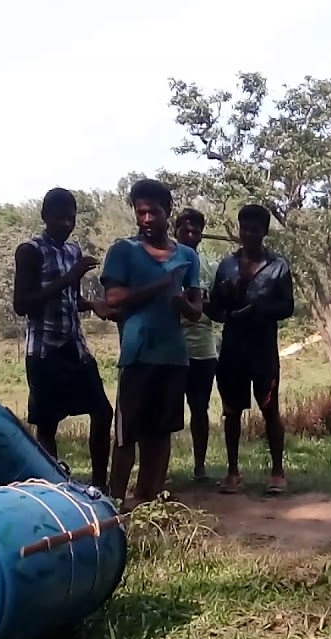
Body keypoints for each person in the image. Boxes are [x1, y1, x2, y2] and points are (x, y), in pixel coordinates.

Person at [100, 179, 203, 505]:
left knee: (160, 434)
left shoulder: (187, 256)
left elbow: (197, 310)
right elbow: (113, 298)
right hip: (137, 355)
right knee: (126, 436)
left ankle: (148, 501)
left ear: (168, 210)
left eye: (153, 212)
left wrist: (182, 303)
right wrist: (162, 285)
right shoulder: (123, 250)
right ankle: (115, 504)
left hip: (173, 356)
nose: (146, 219)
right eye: (140, 212)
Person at [13, 188, 117, 484]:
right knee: (47, 424)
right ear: (45, 216)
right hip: (44, 351)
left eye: (71, 218)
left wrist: (92, 305)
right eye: (60, 218)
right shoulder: (30, 251)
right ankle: (54, 487)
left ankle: (100, 486)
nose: (66, 224)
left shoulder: (73, 251)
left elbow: (70, 299)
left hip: (75, 347)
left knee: (102, 412)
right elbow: (22, 305)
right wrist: (71, 276)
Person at [207, 204, 295, 494]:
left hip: (263, 348)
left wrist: (258, 309)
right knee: (231, 412)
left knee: (270, 409)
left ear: (264, 232)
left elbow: (287, 306)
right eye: (244, 228)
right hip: (233, 347)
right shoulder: (226, 266)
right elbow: (214, 308)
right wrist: (228, 309)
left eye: (254, 230)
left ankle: (277, 472)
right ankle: (232, 472)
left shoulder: (278, 266)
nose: (248, 234)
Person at [174, 208, 218, 482]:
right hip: (171, 347)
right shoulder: (166, 261)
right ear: (175, 231)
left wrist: (197, 302)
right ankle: (159, 470)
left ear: (202, 234)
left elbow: (219, 306)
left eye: (195, 231)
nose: (190, 235)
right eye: (185, 230)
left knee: (200, 408)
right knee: (167, 410)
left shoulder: (210, 267)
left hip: (203, 348)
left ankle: (200, 468)